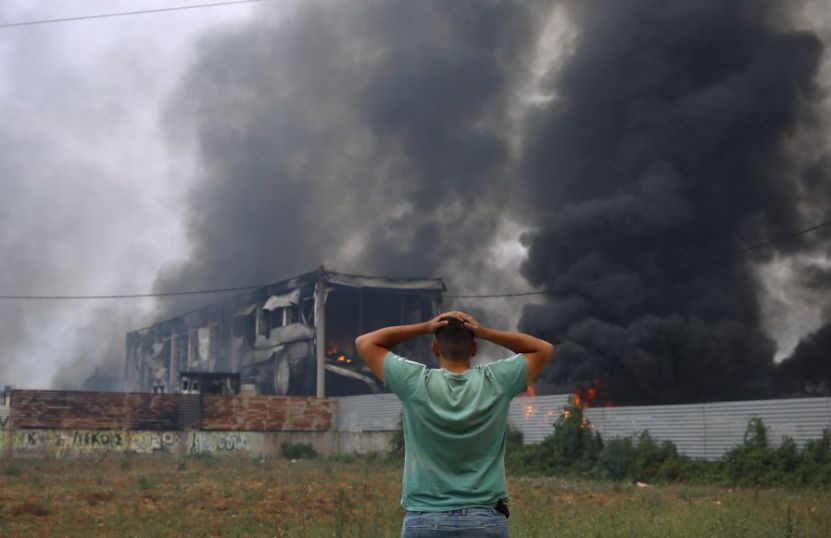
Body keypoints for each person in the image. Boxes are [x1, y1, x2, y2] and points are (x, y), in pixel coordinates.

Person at [355, 310, 555, 537]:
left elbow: (365, 342)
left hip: (425, 519)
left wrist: (425, 327)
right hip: (485, 520)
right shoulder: (497, 381)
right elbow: (543, 349)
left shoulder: (414, 382)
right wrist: (485, 332)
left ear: (435, 349)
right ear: (474, 349)